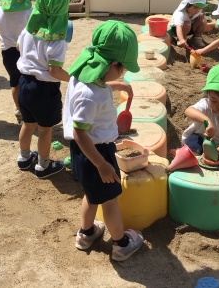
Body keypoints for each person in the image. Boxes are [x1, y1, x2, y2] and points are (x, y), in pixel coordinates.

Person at [63, 20, 145, 261]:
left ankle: (86, 233)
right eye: (122, 69)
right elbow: (80, 132)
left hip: (83, 152)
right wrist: (101, 164)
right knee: (109, 201)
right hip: (95, 152)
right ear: (112, 64)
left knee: (91, 195)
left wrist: (114, 84)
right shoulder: (90, 96)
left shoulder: (84, 73)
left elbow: (96, 83)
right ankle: (121, 244)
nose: (123, 73)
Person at [16, 0, 70, 179]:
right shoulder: (57, 40)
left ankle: (24, 158)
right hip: (44, 89)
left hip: (24, 83)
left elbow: (18, 47)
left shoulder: (28, 30)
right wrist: (72, 78)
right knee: (45, 130)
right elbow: (54, 70)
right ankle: (44, 165)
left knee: (28, 124)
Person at [0, 0, 33, 124]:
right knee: (30, 82)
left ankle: (19, 110)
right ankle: (30, 111)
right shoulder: (30, 11)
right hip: (27, 52)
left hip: (8, 52)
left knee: (15, 83)